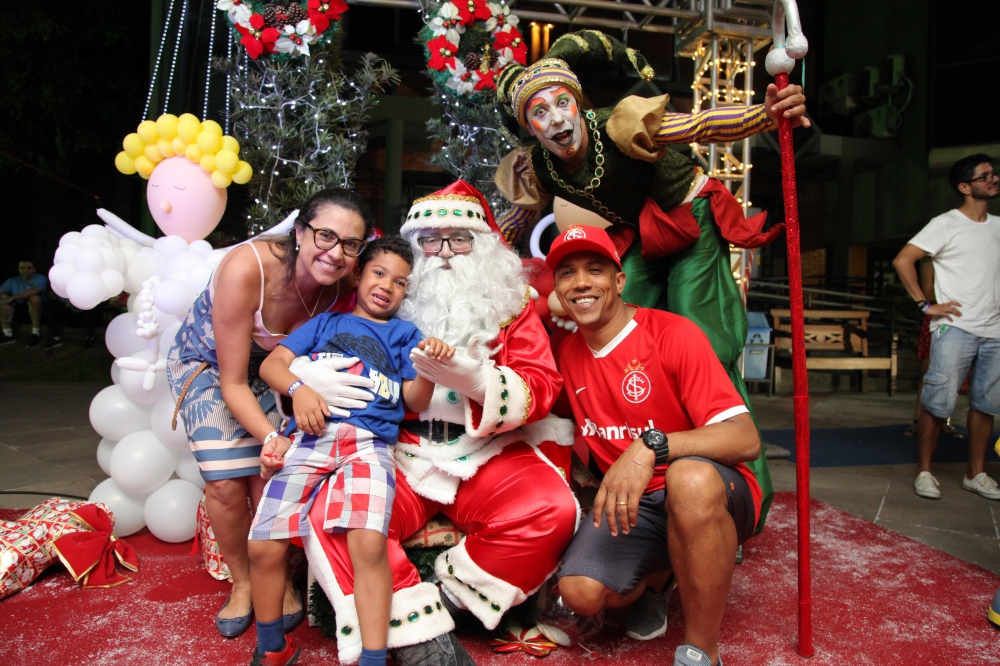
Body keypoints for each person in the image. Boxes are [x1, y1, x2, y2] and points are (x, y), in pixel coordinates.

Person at [494, 30, 811, 529]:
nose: (555, 119)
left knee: (707, 344)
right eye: (539, 112)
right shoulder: (537, 166)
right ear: (529, 126)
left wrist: (764, 114)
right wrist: (470, 252)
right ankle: (639, 473)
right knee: (611, 332)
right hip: (642, 231)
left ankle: (740, 499)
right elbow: (511, 224)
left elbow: (700, 123)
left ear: (578, 103)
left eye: (562, 103)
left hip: (689, 218)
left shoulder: (618, 124)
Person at [297, 180, 577, 665]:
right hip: (397, 449)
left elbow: (542, 383)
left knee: (551, 510)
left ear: (482, 245)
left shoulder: (511, 305)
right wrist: (305, 378)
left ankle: (447, 599)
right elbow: (316, 348)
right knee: (334, 514)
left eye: (459, 239)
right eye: (431, 240)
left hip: (483, 451)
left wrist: (480, 382)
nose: (444, 252)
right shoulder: (386, 299)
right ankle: (422, 641)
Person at [166, 188, 379, 638]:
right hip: (209, 365)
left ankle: (276, 578)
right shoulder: (248, 268)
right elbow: (233, 382)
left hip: (276, 369)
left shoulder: (343, 281)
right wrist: (271, 434)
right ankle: (244, 583)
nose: (335, 253)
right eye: (325, 235)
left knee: (274, 475)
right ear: (299, 232)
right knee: (225, 481)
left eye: (350, 244)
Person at [547, 224, 762, 666]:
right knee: (580, 594)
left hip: (712, 490)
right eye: (567, 273)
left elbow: (745, 438)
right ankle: (661, 577)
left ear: (619, 281)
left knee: (689, 478)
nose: (581, 283)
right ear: (558, 290)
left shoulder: (673, 333)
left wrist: (650, 447)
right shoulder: (567, 353)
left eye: (594, 270)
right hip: (636, 504)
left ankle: (701, 651)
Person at [249, 237, 449, 666]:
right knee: (265, 545)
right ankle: (272, 649)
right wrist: (300, 390)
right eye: (379, 273)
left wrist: (430, 369)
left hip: (369, 446)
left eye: (400, 282)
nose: (387, 286)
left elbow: (414, 401)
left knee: (368, 544)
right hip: (312, 437)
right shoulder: (326, 323)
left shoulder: (405, 335)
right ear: (358, 275)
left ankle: (373, 660)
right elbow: (270, 365)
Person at [892, 154, 1000, 500]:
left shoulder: (998, 226)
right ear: (965, 187)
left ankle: (975, 474)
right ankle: (924, 472)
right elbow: (903, 259)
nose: (994, 179)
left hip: (995, 331)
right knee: (937, 402)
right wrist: (926, 305)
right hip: (954, 327)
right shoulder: (945, 224)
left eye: (994, 174)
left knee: (986, 404)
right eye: (985, 176)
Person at [1, 260, 48, 347]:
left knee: (34, 298)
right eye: (22, 268)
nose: (25, 271)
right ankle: (8, 334)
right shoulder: (13, 280)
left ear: (34, 269)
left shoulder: (40, 278)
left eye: (28, 268)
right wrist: (5, 303)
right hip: (18, 306)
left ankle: (36, 334)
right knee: (2, 298)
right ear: (18, 269)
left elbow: (36, 290)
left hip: (37, 306)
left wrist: (11, 298)